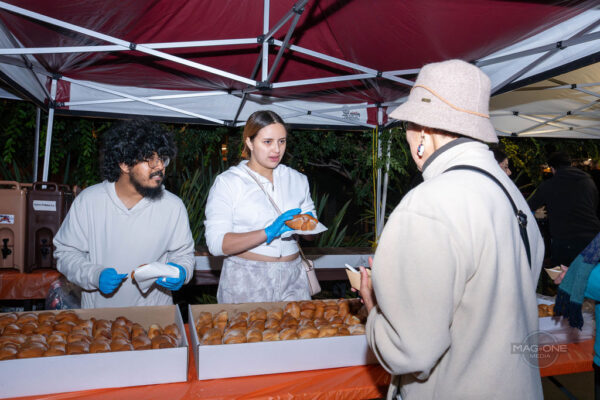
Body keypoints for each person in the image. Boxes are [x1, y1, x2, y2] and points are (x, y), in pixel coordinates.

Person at [358, 59, 544, 400]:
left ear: (422, 132)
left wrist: (373, 309)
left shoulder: (430, 203)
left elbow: (411, 351)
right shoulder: (511, 194)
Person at [54, 120, 195, 308]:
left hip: (155, 317)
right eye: (150, 159)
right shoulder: (89, 201)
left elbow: (184, 255)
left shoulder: (173, 206)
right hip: (99, 317)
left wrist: (182, 271)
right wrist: (94, 275)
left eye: (162, 158)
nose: (160, 166)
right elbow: (66, 253)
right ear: (124, 164)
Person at [204, 110, 316, 303]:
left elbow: (312, 234)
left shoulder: (297, 179)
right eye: (267, 142)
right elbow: (216, 244)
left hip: (294, 278)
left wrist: (307, 226)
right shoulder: (229, 182)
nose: (276, 150)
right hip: (246, 277)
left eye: (282, 141)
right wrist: (268, 232)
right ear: (249, 142)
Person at [528, 151, 600, 266]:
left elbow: (527, 208)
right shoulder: (588, 181)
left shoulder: (549, 185)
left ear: (552, 169)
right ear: (570, 164)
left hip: (565, 241)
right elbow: (594, 205)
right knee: (590, 275)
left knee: (564, 276)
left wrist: (535, 213)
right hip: (593, 239)